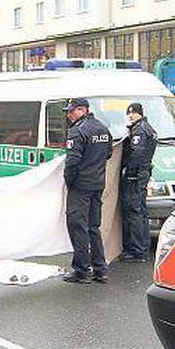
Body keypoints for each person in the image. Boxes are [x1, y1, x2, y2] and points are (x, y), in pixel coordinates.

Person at [62, 98, 113, 284]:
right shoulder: (102, 128)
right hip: (98, 184)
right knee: (93, 227)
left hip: (80, 187)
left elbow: (72, 162)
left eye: (71, 111)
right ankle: (100, 269)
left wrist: (70, 183)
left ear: (82, 110)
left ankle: (81, 270)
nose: (68, 115)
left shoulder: (77, 131)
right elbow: (108, 153)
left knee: (78, 226)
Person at [118, 103, 158, 262]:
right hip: (142, 174)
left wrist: (128, 171)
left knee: (134, 212)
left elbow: (137, 153)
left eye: (133, 113)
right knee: (141, 212)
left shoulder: (140, 130)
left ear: (139, 113)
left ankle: (137, 251)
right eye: (129, 114)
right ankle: (143, 248)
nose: (130, 116)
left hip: (135, 176)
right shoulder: (148, 128)